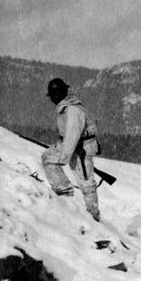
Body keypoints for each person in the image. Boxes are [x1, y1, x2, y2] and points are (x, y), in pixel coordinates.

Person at [41, 78, 101, 221]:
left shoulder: (72, 110)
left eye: (54, 95)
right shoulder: (67, 108)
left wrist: (64, 157)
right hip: (74, 147)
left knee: (86, 184)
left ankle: (94, 217)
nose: (52, 99)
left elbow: (72, 136)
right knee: (48, 158)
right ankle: (64, 193)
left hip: (81, 149)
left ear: (60, 94)